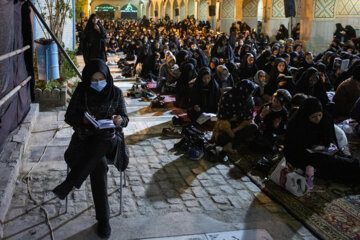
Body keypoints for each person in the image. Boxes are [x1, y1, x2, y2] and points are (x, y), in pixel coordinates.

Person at [52, 59, 129, 238]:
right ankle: (104, 220)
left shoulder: (116, 92)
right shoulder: (81, 92)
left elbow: (125, 119)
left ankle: (70, 183)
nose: (97, 83)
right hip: (85, 140)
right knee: (99, 165)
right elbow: (69, 117)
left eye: (100, 78)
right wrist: (83, 120)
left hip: (111, 142)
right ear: (87, 79)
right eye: (93, 80)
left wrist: (119, 121)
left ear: (107, 77)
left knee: (108, 138)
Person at [285, 97, 360, 182]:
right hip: (306, 157)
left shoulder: (325, 118)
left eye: (319, 115)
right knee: (333, 165)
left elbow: (330, 139)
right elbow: (292, 151)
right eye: (313, 117)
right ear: (306, 115)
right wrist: (313, 150)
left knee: (350, 162)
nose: (318, 119)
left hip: (324, 151)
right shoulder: (296, 124)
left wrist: (328, 148)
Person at [213, 79, 258, 153]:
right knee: (220, 139)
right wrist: (232, 133)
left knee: (254, 127)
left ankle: (230, 144)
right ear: (242, 93)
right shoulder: (227, 98)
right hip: (227, 127)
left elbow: (248, 120)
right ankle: (237, 142)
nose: (251, 96)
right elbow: (222, 120)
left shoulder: (249, 101)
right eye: (250, 93)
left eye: (252, 93)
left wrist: (235, 130)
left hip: (239, 126)